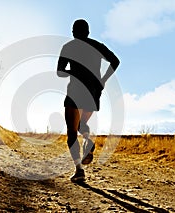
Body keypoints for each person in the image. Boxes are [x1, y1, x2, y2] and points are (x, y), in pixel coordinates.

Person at [57, 19, 120, 182]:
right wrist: (103, 80)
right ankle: (86, 139)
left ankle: (79, 170)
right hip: (93, 92)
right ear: (88, 32)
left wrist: (73, 73)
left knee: (72, 130)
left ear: (73, 32)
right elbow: (116, 61)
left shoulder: (68, 47)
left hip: (75, 90)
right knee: (80, 124)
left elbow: (60, 72)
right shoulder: (97, 45)